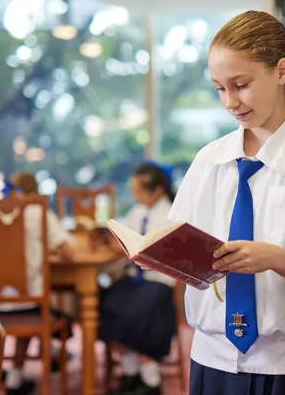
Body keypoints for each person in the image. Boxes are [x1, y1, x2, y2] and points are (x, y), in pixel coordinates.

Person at [168, 11, 285, 395]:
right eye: (219, 88)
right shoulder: (207, 160)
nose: (230, 101)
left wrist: (272, 257)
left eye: (241, 85)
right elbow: (177, 242)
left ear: (281, 72)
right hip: (210, 357)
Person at [0, 171, 74, 395]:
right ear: (33, 193)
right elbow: (69, 252)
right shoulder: (39, 213)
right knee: (41, 306)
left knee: (28, 303)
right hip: (30, 305)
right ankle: (19, 375)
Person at [99, 162, 177, 395]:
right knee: (106, 307)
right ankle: (130, 372)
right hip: (136, 277)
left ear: (157, 191)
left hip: (159, 279)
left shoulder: (170, 214)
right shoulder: (138, 211)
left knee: (138, 315)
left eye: (139, 191)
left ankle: (150, 380)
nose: (135, 196)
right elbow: (128, 238)